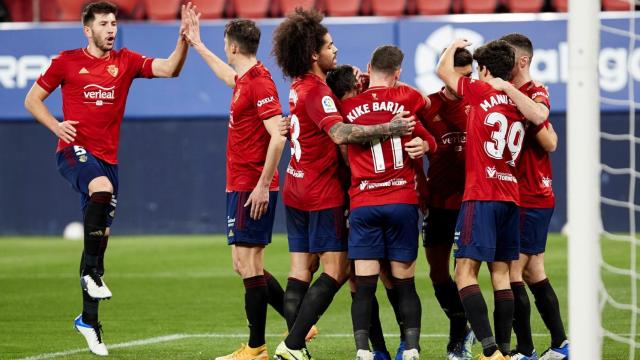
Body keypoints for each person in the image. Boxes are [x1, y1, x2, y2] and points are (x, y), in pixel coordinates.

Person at [23, 1, 190, 356]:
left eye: (114, 23)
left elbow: (170, 69)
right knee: (102, 191)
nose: (111, 29)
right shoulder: (67, 61)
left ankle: (88, 320)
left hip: (107, 159)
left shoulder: (126, 61)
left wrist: (184, 41)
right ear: (88, 30)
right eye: (104, 24)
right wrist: (56, 125)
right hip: (73, 151)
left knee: (99, 237)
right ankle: (93, 275)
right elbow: (32, 99)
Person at [271, 9, 415, 360]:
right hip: (322, 192)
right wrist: (389, 128)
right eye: (329, 46)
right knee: (338, 271)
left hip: (296, 185)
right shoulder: (318, 92)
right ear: (312, 54)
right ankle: (292, 345)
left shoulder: (297, 86)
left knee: (301, 269)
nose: (335, 50)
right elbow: (340, 133)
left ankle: (299, 344)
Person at [181, 9, 291, 360]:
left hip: (251, 185)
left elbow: (278, 136)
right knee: (244, 264)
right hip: (241, 184)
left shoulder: (259, 82)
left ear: (231, 45)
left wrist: (261, 185)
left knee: (250, 263)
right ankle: (297, 320)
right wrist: (196, 44)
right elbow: (228, 76)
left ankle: (256, 348)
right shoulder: (246, 78)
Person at [340, 45, 434, 360]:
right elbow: (429, 131)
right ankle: (412, 349)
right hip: (402, 201)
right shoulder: (406, 102)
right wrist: (425, 144)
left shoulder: (348, 106)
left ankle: (364, 351)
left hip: (365, 202)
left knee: (364, 284)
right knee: (404, 282)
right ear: (397, 74)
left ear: (368, 67)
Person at [436, 39, 524, 360]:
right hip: (510, 197)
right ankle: (502, 349)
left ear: (484, 70)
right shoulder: (518, 103)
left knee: (464, 272)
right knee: (500, 274)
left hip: (481, 195)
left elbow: (442, 71)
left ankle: (487, 350)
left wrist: (453, 46)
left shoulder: (478, 90)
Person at [486, 33, 568, 360]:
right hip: (521, 194)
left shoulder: (534, 92)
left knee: (511, 272)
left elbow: (548, 138)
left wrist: (508, 92)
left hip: (531, 194)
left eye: (507, 58)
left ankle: (524, 349)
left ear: (521, 61)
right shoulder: (512, 96)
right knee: (534, 271)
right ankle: (561, 344)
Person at [419, 47, 475, 360]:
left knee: (463, 273)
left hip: (470, 201)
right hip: (438, 201)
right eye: (458, 74)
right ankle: (462, 324)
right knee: (437, 274)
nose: (462, 81)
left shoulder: (477, 102)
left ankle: (459, 340)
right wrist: (419, 185)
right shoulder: (427, 106)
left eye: (467, 75)